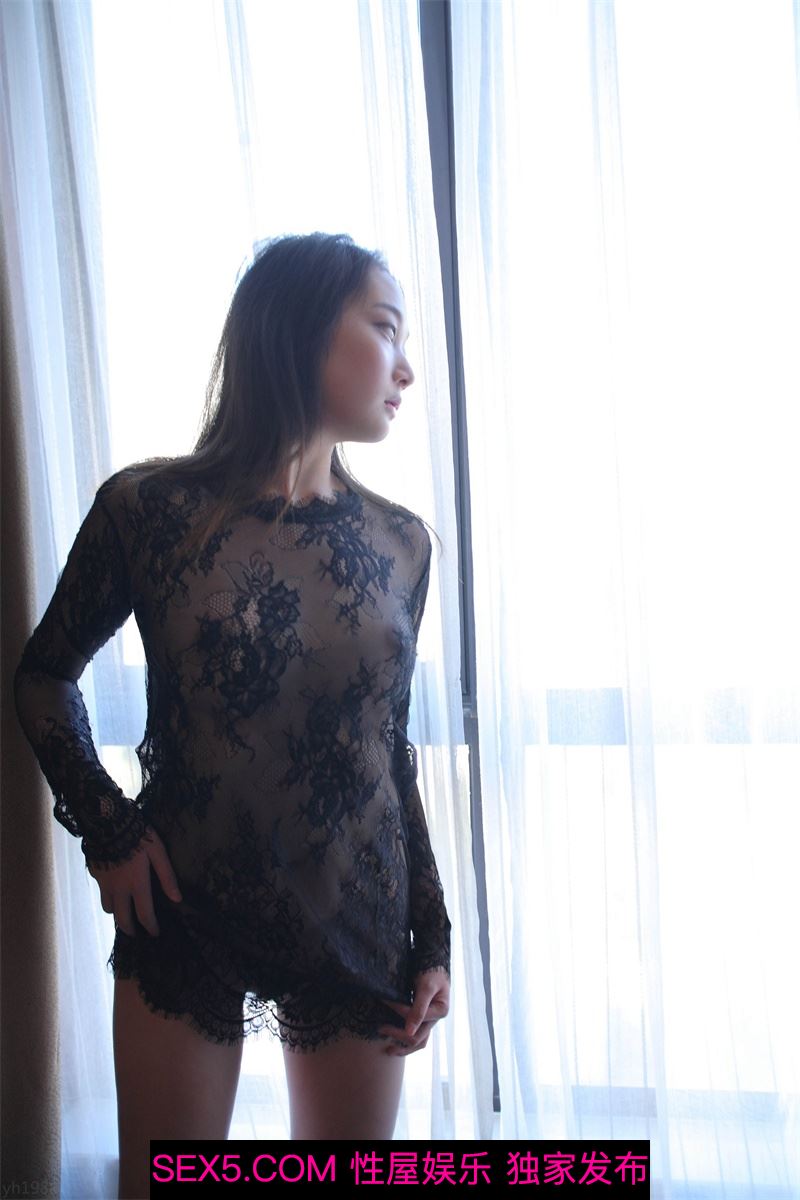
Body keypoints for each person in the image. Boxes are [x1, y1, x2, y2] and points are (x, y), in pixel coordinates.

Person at [13, 232, 452, 1199]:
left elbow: (387, 748)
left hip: (359, 918)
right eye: (386, 329)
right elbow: (44, 678)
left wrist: (433, 936)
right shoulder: (147, 509)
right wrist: (110, 830)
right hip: (184, 914)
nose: (406, 369)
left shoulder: (403, 544)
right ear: (302, 329)